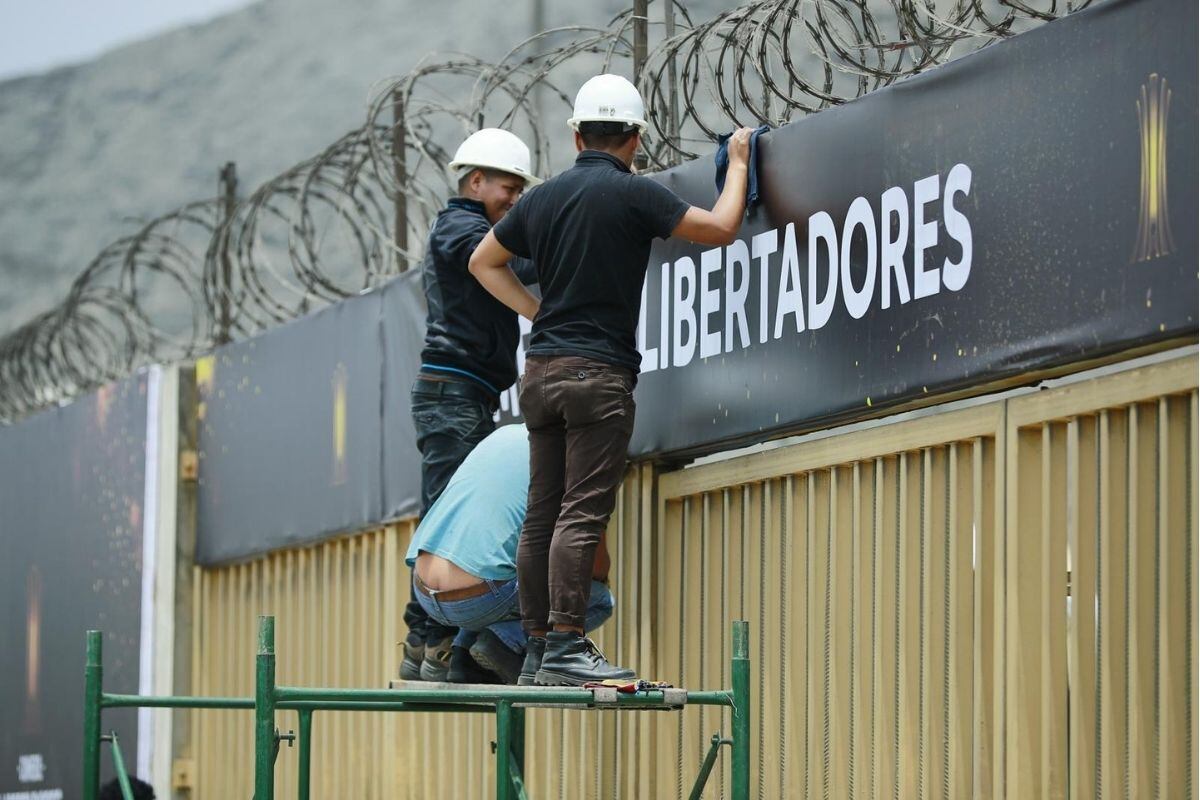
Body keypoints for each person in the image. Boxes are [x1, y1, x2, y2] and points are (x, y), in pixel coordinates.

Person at [469, 74, 753, 685]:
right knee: (581, 513)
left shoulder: (540, 200)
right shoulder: (633, 194)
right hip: (597, 374)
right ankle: (570, 647)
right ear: (635, 139)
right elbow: (723, 227)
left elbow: (481, 261)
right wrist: (737, 162)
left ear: (575, 135)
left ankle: (539, 650)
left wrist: (536, 312)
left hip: (539, 376)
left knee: (542, 514)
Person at [403, 128, 542, 682]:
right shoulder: (461, 228)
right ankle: (431, 644)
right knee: (445, 524)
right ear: (475, 180)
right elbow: (499, 258)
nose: (514, 198)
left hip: (463, 395)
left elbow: (519, 261)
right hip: (452, 395)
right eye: (509, 187)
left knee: (445, 517)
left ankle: (427, 644)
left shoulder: (472, 229)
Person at [405, 423, 615, 684]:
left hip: (423, 588)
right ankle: (504, 641)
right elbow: (595, 566)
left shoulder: (505, 435)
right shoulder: (578, 456)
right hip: (479, 596)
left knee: (510, 559)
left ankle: (463, 653)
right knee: (599, 599)